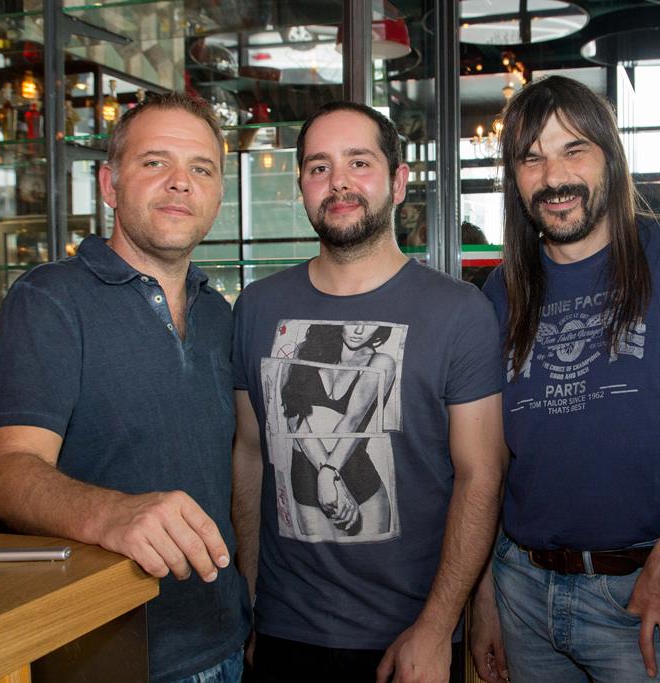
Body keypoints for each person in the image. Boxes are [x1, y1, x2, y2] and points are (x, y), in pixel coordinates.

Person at [471, 75, 660, 682]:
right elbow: (490, 461)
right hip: (522, 589)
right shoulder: (501, 290)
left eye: (574, 150)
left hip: (643, 593)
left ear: (611, 159)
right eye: (532, 159)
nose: (554, 177)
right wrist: (483, 594)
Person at [0, 92, 250, 682]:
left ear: (218, 195)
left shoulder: (219, 314)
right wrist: (113, 514)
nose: (180, 183)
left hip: (225, 637)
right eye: (155, 162)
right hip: (113, 651)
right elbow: (6, 475)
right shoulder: (48, 300)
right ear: (109, 184)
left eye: (201, 169)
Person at [231, 100, 506, 683]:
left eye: (359, 162)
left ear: (398, 182)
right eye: (319, 167)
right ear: (302, 186)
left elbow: (480, 477)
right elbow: (251, 455)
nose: (339, 183)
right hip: (283, 631)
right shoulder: (256, 307)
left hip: (410, 634)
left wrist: (438, 627)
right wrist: (249, 601)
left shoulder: (460, 312)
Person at [281, 322, 396, 539]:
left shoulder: (381, 362)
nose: (359, 331)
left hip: (356, 475)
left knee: (369, 559)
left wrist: (329, 474)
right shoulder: (305, 351)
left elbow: (352, 420)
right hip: (306, 475)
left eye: (369, 325)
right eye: (353, 322)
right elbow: (294, 418)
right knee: (312, 560)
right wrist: (329, 476)